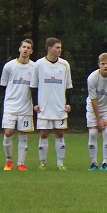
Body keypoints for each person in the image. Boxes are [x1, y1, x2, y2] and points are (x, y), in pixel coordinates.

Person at [31, 37, 73, 170]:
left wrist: (68, 103)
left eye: (60, 47)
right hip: (44, 106)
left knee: (60, 133)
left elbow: (69, 86)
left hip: (59, 107)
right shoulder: (39, 64)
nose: (60, 50)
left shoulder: (65, 65)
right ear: (49, 48)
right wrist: (35, 103)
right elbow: (34, 86)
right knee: (44, 133)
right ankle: (42, 163)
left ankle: (60, 163)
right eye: (57, 47)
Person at [0, 38, 36, 171]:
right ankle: (8, 160)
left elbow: (36, 87)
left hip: (26, 106)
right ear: (19, 49)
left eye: (28, 48)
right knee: (8, 132)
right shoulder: (9, 66)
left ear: (31, 51)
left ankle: (21, 163)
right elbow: (3, 85)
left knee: (23, 134)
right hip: (10, 105)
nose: (25, 49)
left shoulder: (34, 67)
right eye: (24, 47)